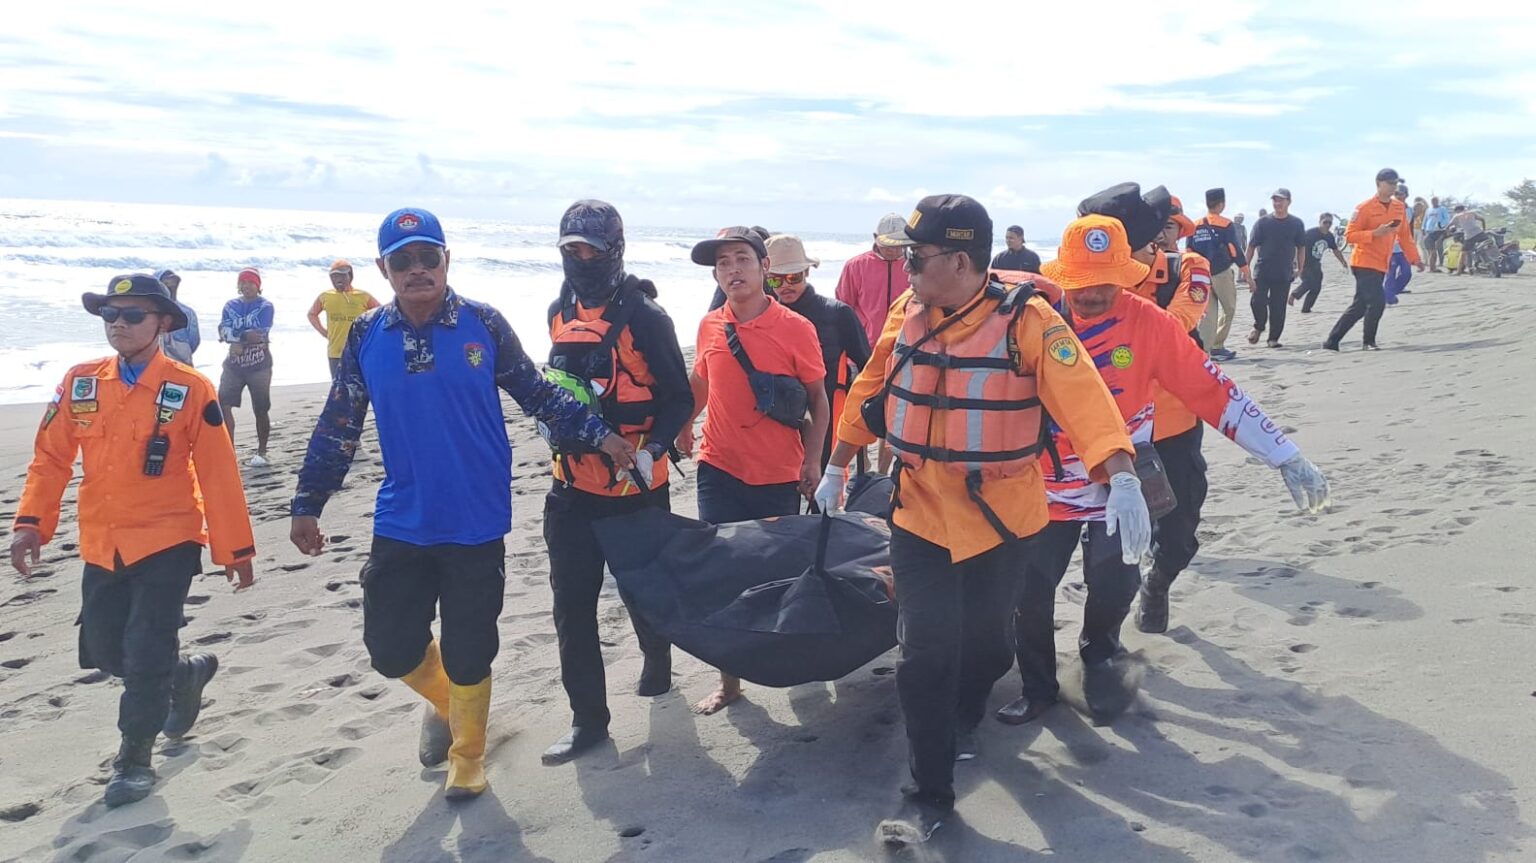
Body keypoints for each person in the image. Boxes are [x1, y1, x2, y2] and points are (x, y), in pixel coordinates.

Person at [814, 196, 1145, 845]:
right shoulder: (905, 313)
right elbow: (870, 388)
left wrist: (1122, 473)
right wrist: (838, 464)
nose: (903, 266)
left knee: (991, 646)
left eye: (917, 256)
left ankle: (966, 703)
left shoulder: (1031, 321)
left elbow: (1085, 399)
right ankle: (928, 792)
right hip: (919, 510)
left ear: (960, 260)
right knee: (924, 650)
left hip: (1002, 516)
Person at [290, 207, 635, 801]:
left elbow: (536, 391)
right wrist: (307, 501)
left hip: (477, 518)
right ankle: (451, 708)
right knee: (390, 646)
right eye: (403, 260)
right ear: (385, 268)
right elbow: (339, 423)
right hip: (403, 517)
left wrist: (600, 434)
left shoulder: (483, 324)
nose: (417, 269)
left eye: (429, 257)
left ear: (447, 260)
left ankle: (468, 754)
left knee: (470, 646)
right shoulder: (368, 335)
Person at [1001, 215, 1330, 724]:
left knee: (1115, 581)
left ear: (1124, 276)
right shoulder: (1033, 315)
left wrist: (1283, 454)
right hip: (1044, 482)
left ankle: (1097, 654)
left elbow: (1214, 391)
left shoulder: (1150, 323)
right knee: (1030, 588)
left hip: (1122, 485)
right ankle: (1038, 685)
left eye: (1102, 284)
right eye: (1080, 284)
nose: (1089, 296)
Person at [11, 274, 256, 808]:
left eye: (132, 315)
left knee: (146, 648)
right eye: (109, 316)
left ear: (163, 323)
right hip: (102, 540)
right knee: (103, 649)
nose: (118, 324)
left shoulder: (190, 389)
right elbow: (51, 458)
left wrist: (234, 548)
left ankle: (134, 758)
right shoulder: (80, 383)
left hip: (169, 539)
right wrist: (31, 522)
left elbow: (217, 472)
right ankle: (184, 675)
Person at [538, 200, 693, 765]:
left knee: (643, 591)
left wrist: (654, 451)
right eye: (570, 250)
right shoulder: (558, 308)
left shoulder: (648, 318)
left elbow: (680, 397)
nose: (580, 260)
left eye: (591, 250)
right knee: (569, 606)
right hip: (570, 486)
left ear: (615, 251)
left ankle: (658, 657)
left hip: (635, 487)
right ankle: (588, 722)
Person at [676, 226, 830, 716]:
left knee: (780, 575)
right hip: (718, 467)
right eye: (723, 264)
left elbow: (818, 401)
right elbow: (700, 380)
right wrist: (685, 425)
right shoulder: (708, 326)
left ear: (765, 268)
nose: (731, 270)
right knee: (722, 577)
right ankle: (731, 682)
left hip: (777, 472)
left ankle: (792, 660)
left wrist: (812, 461)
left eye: (742, 259)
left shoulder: (796, 328)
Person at [764, 233, 871, 470]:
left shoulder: (837, 313)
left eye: (793, 277)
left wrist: (861, 416)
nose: (785, 286)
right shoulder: (763, 318)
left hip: (828, 414)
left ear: (807, 272)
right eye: (775, 281)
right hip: (776, 417)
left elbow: (869, 368)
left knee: (821, 494)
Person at [835, 214, 912, 473]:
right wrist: (847, 354)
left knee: (894, 414)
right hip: (864, 350)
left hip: (904, 351)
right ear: (875, 239)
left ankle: (882, 471)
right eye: (887, 243)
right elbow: (843, 310)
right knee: (859, 410)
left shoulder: (915, 268)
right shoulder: (855, 266)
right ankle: (864, 466)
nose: (893, 250)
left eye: (898, 244)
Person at [1324, 169, 1424, 351]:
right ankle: (1368, 342)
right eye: (1390, 183)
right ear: (1379, 183)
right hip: (1363, 262)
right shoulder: (1364, 208)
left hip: (1381, 263)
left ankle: (1332, 342)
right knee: (1377, 301)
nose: (1394, 187)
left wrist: (1415, 258)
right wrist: (1374, 233)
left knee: (1360, 306)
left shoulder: (1398, 207)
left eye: (1396, 183)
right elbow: (1350, 235)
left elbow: (1404, 236)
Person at [217, 268, 274, 466]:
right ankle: (228, 451)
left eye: (250, 282)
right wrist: (241, 337)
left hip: (259, 365)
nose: (246, 286)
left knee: (260, 408)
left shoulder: (266, 306)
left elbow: (260, 333)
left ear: (258, 285)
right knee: (223, 403)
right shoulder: (230, 305)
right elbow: (223, 331)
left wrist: (235, 336)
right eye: (243, 282)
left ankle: (262, 451)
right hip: (233, 365)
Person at [1189, 188, 1249, 361]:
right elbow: (1234, 249)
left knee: (1208, 313)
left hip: (1200, 274)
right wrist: (1246, 271)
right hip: (1221, 272)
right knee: (1229, 309)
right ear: (1221, 204)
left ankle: (1204, 349)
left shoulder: (1196, 225)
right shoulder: (1225, 224)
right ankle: (1217, 345)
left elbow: (1189, 251)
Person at [1244, 189, 1307, 348]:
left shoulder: (1296, 223)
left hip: (1283, 272)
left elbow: (1301, 247)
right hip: (1263, 270)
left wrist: (1300, 268)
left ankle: (1273, 338)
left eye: (1281, 200)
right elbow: (1251, 247)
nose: (1277, 203)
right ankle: (1259, 326)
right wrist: (1245, 270)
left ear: (1289, 202)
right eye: (1275, 200)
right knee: (1257, 301)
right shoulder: (1263, 223)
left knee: (1278, 307)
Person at [307, 259, 380, 379]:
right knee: (338, 391)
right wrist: (324, 332)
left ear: (350, 276)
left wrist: (369, 335)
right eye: (334, 277)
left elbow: (380, 315)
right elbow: (312, 314)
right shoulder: (325, 296)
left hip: (359, 352)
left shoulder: (363, 296)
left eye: (341, 276)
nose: (338, 280)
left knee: (361, 389)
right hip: (336, 352)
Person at [1289, 213, 1349, 312]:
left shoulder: (1329, 236)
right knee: (1309, 282)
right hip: (1304, 262)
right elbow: (1297, 246)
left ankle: (1306, 309)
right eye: (1325, 222)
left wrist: (1343, 261)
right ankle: (1293, 295)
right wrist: (1295, 263)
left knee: (1317, 286)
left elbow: (1335, 250)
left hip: (1316, 264)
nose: (1327, 225)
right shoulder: (1310, 233)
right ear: (1320, 222)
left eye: (1330, 223)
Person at [155, 269, 201, 366]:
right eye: (166, 283)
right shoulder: (149, 313)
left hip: (182, 365)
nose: (171, 286)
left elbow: (194, 342)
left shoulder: (188, 312)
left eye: (174, 283)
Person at [1384, 184, 1417, 303]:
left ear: (1406, 195)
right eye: (1396, 194)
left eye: (1400, 194)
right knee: (1390, 274)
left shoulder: (1409, 210)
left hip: (1404, 247)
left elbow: (1410, 228)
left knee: (1406, 273)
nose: (1398, 196)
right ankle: (1388, 295)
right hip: (1390, 247)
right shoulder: (1388, 207)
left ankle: (1395, 290)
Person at [1448, 204, 1487, 276]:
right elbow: (1482, 219)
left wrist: (1448, 232)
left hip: (1469, 236)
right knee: (1487, 245)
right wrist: (1484, 230)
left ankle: (1459, 272)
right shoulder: (1472, 212)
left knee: (1463, 253)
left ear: (1458, 210)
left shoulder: (1457, 216)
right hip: (1479, 233)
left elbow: (1449, 225)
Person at [1422, 196, 1451, 272]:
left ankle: (1440, 262)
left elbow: (1447, 218)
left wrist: (1441, 224)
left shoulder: (1442, 209)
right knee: (1432, 251)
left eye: (1435, 201)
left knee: (1438, 247)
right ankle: (1432, 267)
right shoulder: (1428, 210)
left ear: (1438, 201)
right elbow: (1425, 219)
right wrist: (1423, 227)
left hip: (1439, 230)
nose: (1434, 202)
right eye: (1432, 201)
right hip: (1429, 231)